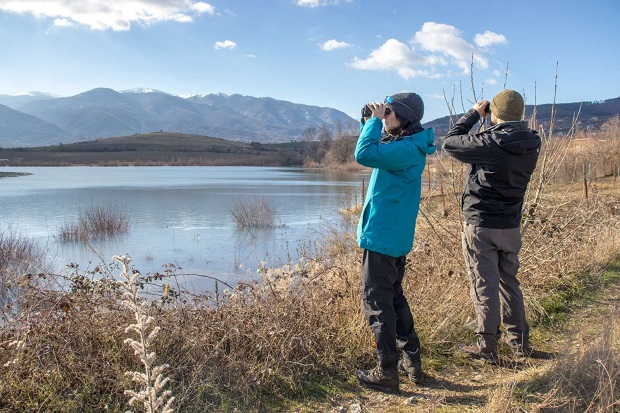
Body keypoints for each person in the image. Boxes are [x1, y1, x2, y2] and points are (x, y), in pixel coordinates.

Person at [442, 89, 541, 363]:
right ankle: (520, 342)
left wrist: (474, 114)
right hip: (510, 225)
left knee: (484, 283)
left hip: (482, 223)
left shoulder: (491, 143)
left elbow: (450, 143)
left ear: (495, 113)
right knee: (510, 283)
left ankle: (487, 346)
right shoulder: (533, 142)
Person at [354, 92, 436, 393]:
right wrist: (370, 121)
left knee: (378, 303)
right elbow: (374, 146)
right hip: (392, 237)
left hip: (382, 238)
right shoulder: (408, 145)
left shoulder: (406, 149)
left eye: (389, 112)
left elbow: (364, 154)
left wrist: (375, 122)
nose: (385, 115)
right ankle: (411, 363)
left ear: (403, 117)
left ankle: (386, 370)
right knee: (394, 299)